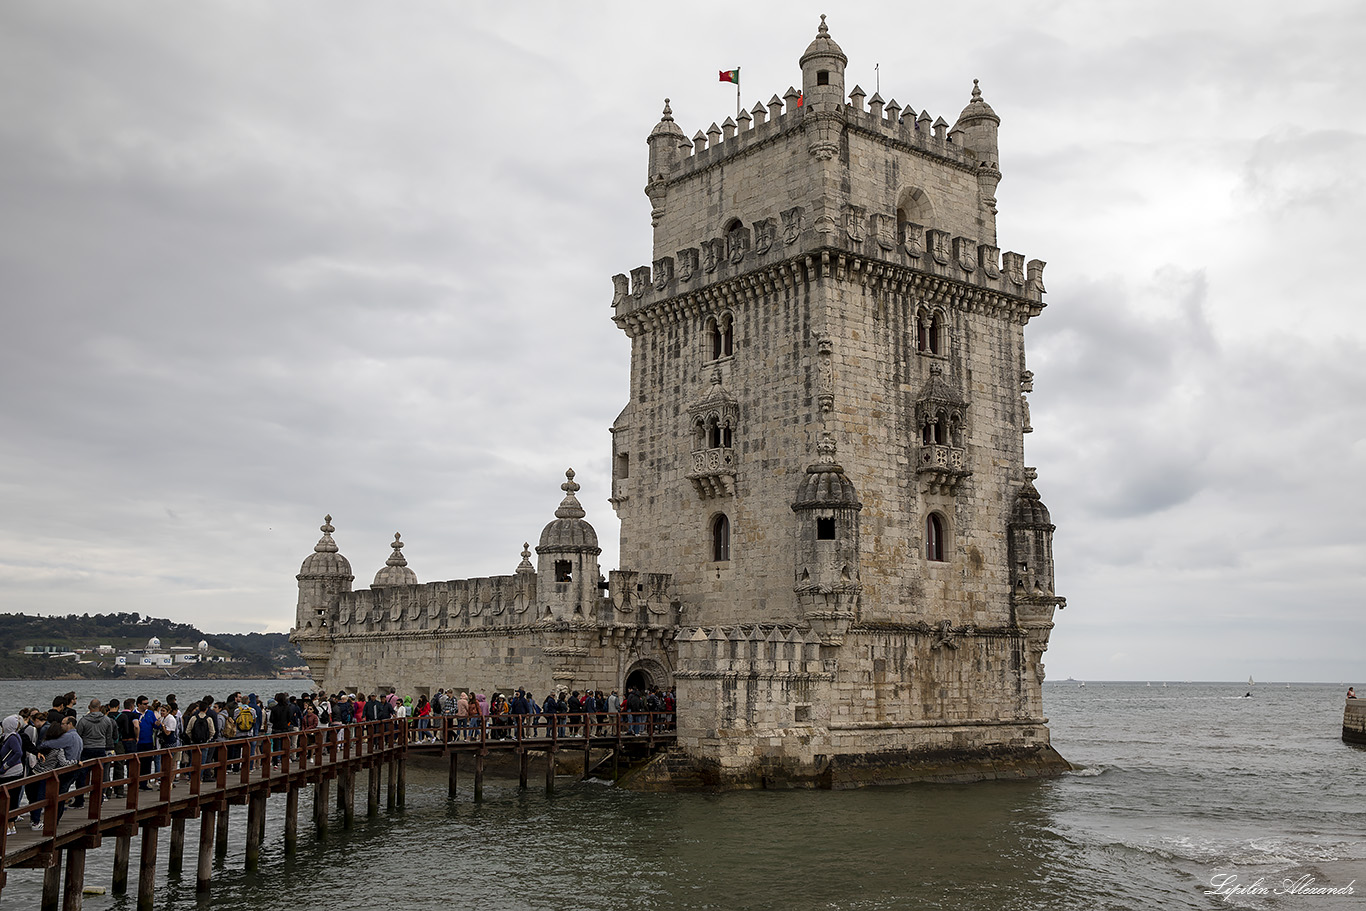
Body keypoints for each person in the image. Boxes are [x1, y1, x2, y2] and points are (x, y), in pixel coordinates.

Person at [73, 699, 116, 807]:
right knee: (99, 776)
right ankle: (99, 798)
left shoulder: (83, 720)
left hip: (86, 749)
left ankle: (79, 800)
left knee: (82, 776)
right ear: (100, 707)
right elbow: (108, 736)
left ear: (89, 707)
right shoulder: (107, 720)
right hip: (101, 748)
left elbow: (78, 735)